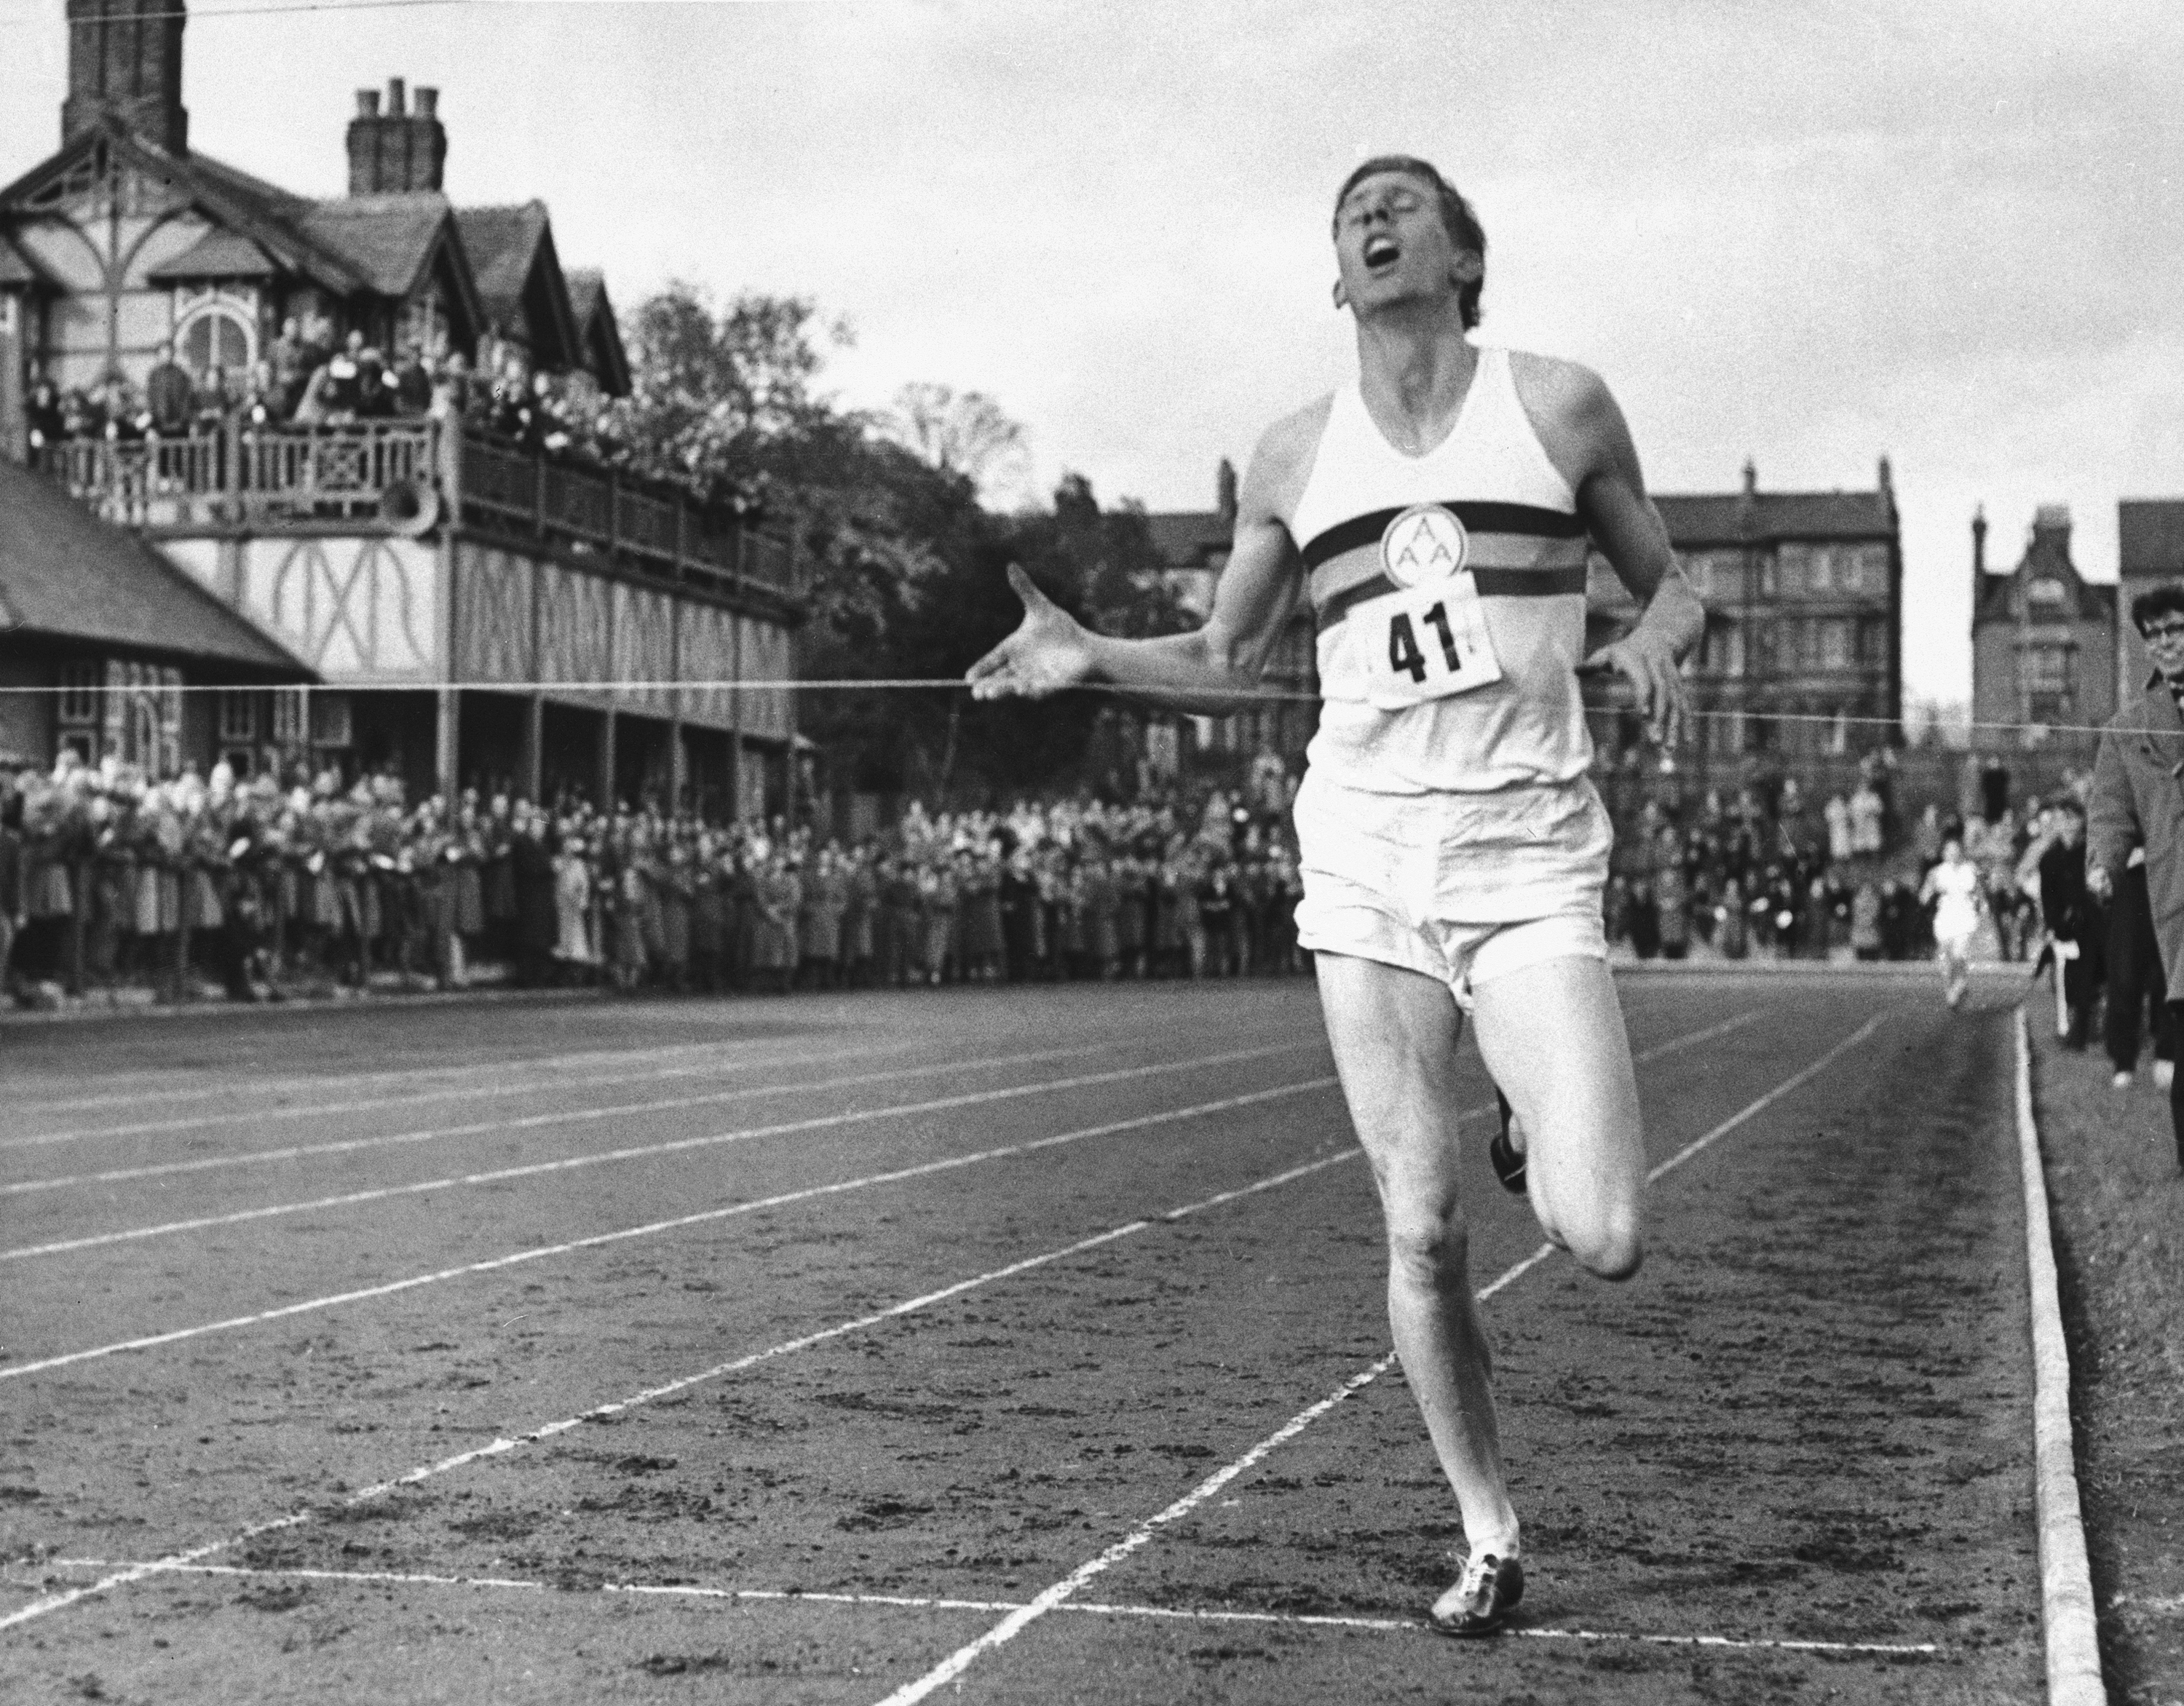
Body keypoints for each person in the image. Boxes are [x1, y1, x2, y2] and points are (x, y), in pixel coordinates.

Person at [970, 155, 1704, 1636]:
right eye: (1349, 217)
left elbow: (1671, 584)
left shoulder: (1558, 406)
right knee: (1420, 1226)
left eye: (1401, 204)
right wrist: (1093, 656)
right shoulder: (1296, 457)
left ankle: (1522, 1102)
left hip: (1527, 854)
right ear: (1338, 275)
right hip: (1365, 853)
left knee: (1605, 1228)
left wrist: (1654, 639)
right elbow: (1229, 661)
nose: (1372, 223)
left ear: (1461, 250)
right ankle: (1489, 1525)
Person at [2089, 583, 2184, 1170]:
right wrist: (2103, 863)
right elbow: (2110, 812)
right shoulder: (2127, 731)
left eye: (2175, 630)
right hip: (2178, 899)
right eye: (2153, 636)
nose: (2164, 644)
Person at [1920, 834, 1982, 1008]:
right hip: (1946, 917)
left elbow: (1979, 893)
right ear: (1944, 853)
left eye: (1956, 851)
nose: (1953, 854)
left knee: (1959, 955)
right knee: (1945, 957)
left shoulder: (1971, 869)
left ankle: (1960, 983)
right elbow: (1924, 896)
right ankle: (1953, 989)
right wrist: (1928, 892)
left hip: (1965, 917)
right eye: (1949, 851)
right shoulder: (1937, 872)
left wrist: (1979, 907)